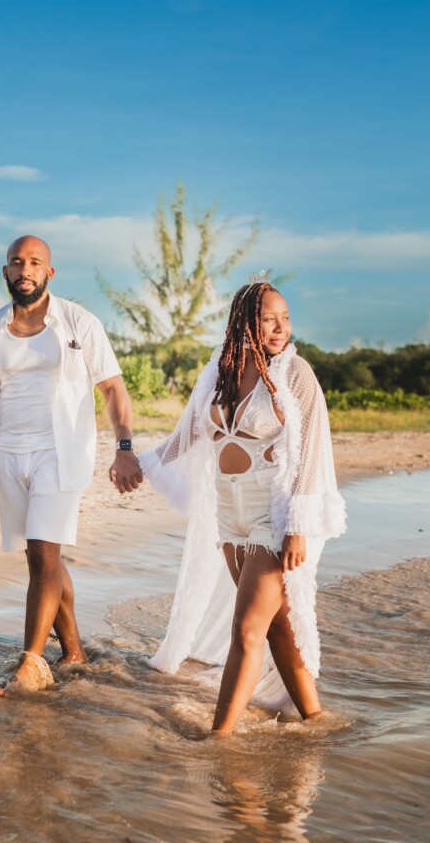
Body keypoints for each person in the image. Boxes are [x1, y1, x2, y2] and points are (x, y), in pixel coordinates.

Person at [139, 271, 346, 734]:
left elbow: (311, 451)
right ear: (243, 323)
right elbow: (189, 433)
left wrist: (297, 525)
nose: (280, 329)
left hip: (274, 514)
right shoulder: (219, 371)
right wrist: (144, 462)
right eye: (269, 320)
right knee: (274, 629)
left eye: (286, 319)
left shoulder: (296, 374)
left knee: (246, 629)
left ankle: (219, 739)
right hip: (228, 517)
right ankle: (316, 719)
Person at [0, 235, 143, 694]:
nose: (26, 269)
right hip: (9, 455)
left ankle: (30, 665)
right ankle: (75, 651)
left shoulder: (79, 322)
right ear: (5, 272)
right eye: (17, 262)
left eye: (35, 262)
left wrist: (125, 446)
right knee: (44, 558)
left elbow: (114, 390)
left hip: (61, 454)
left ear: (49, 273)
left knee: (44, 556)